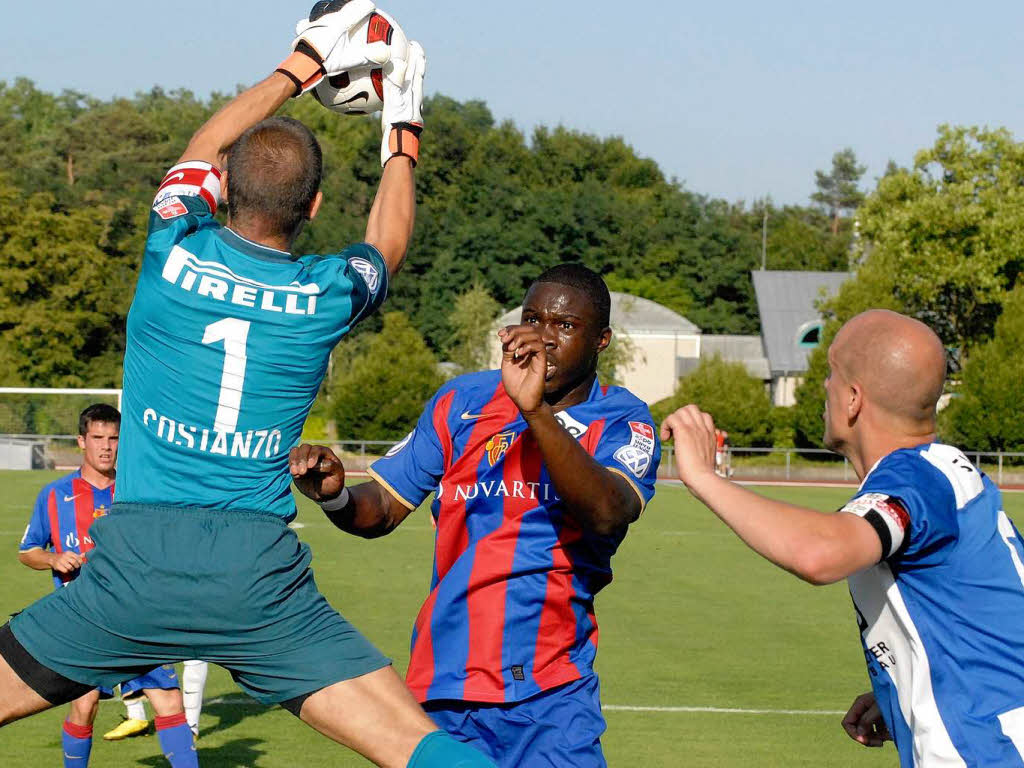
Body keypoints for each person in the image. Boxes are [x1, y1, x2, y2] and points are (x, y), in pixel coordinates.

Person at [0, 4, 493, 767]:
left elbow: (204, 142)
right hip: (258, 578)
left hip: (132, 569)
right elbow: (387, 244)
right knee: (424, 750)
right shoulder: (328, 294)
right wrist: (404, 120)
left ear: (222, 188)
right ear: (315, 207)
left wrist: (301, 64)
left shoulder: (170, 252)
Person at [290, 263, 662, 766]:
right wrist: (335, 494)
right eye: (534, 319)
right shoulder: (462, 400)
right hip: (443, 685)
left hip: (549, 694)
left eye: (565, 326)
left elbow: (606, 514)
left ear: (602, 340)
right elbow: (380, 508)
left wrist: (534, 411)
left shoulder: (623, 418)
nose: (545, 338)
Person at [661, 309, 1024, 767]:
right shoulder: (947, 474)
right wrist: (907, 687)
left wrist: (702, 477)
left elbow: (820, 555)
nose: (823, 388)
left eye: (831, 375)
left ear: (854, 398)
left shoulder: (912, 481)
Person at [17, 405, 192, 767]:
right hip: (83, 621)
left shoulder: (139, 493)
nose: (106, 447)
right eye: (97, 438)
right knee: (84, 706)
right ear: (82, 441)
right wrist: (53, 559)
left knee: (170, 700)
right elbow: (28, 551)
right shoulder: (54, 495)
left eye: (114, 438)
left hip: (139, 617)